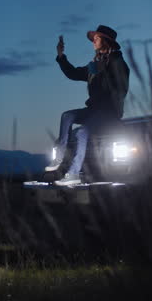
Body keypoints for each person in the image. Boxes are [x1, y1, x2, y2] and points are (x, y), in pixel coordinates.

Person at [46, 25, 130, 186]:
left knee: (82, 132)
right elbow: (74, 73)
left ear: (107, 42)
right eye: (93, 38)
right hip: (93, 110)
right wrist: (61, 56)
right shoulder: (95, 64)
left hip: (109, 112)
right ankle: (59, 158)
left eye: (97, 38)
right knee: (67, 116)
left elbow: (121, 89)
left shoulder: (118, 63)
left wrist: (102, 72)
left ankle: (74, 173)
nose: (93, 41)